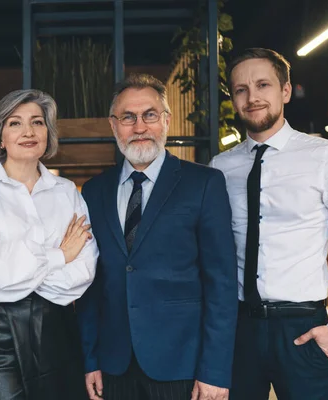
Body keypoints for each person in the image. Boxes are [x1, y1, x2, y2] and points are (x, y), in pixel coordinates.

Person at [210, 48, 328, 400]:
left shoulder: (327, 157)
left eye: (262, 85)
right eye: (240, 90)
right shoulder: (219, 168)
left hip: (302, 328)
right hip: (237, 328)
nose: (252, 98)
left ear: (285, 90)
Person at [76, 73, 238, 400]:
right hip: (113, 366)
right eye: (127, 117)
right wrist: (90, 359)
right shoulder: (94, 191)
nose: (139, 127)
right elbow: (90, 287)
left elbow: (221, 283)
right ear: (113, 124)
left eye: (149, 115)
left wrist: (215, 371)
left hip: (183, 366)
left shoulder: (204, 184)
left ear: (166, 120)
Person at [0, 89, 99, 400]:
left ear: (48, 133)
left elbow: (84, 270)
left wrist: (9, 259)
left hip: (57, 331)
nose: (28, 132)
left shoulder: (66, 192)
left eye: (37, 122)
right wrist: (61, 254)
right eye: (15, 123)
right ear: (1, 136)